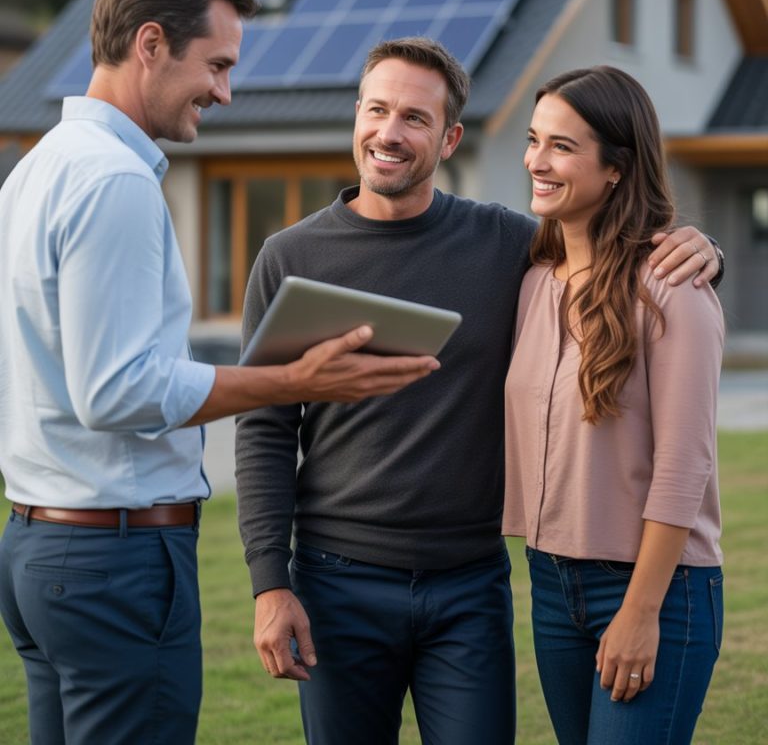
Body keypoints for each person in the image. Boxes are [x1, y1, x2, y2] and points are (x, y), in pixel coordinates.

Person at [0, 0, 439, 745]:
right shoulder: (116, 182)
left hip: (41, 550)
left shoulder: (35, 171)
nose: (225, 92)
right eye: (218, 64)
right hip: (114, 563)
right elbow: (117, 392)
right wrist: (292, 380)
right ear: (151, 45)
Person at [235, 37, 720, 745]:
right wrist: (268, 582)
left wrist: (704, 251)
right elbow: (265, 430)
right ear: (355, 116)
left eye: (414, 117)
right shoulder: (291, 259)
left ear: (450, 136)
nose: (389, 133)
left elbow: (617, 252)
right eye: (376, 110)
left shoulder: (511, 249)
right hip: (336, 581)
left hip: (469, 585)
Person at [503, 66, 723, 745]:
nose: (537, 161)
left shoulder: (671, 288)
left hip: (655, 588)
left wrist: (640, 610)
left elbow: (684, 466)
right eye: (535, 139)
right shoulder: (534, 281)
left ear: (618, 169)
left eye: (563, 147)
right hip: (549, 581)